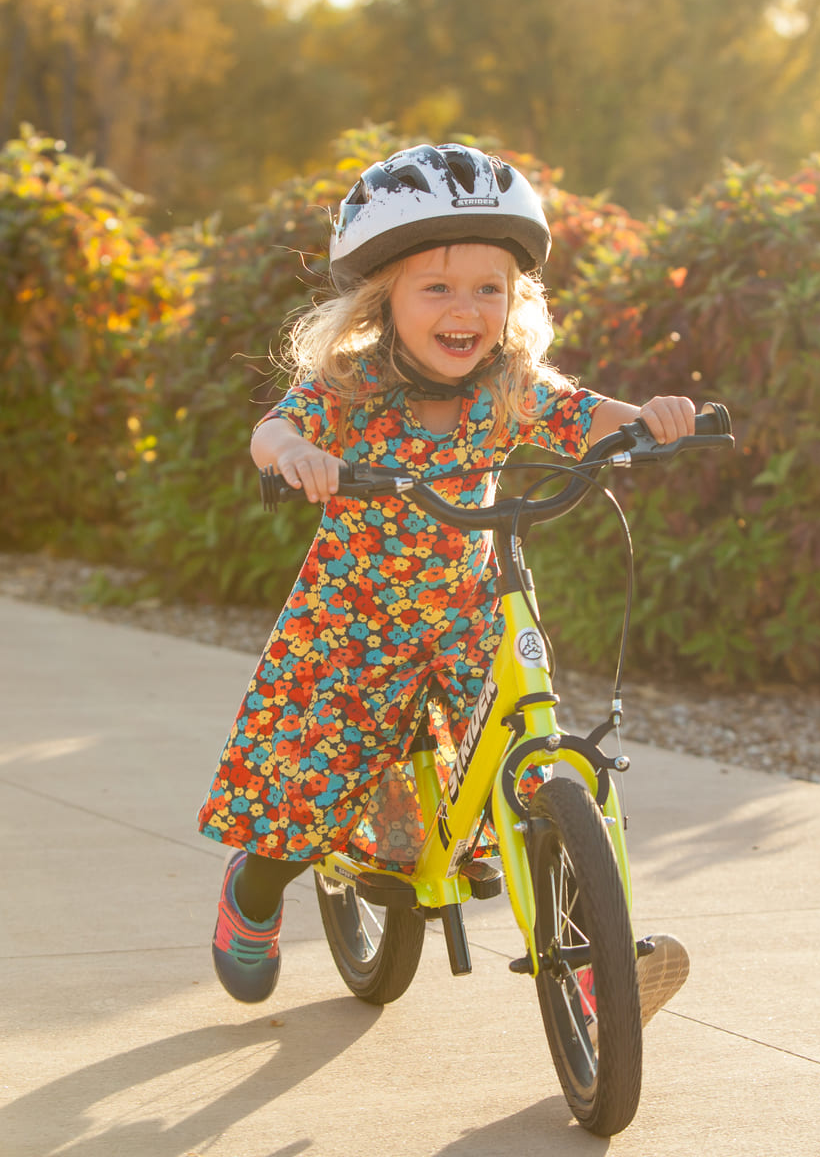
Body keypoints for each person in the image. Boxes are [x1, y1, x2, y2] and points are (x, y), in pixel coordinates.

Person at [197, 143, 691, 1018]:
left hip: (474, 607)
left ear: (515, 301)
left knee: (527, 752)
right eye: (438, 288)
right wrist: (299, 455)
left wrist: (647, 418)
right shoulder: (350, 389)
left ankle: (593, 968)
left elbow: (584, 415)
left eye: (489, 289)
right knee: (310, 785)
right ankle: (257, 892)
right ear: (383, 298)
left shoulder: (508, 384)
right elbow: (274, 430)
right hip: (356, 620)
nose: (467, 310)